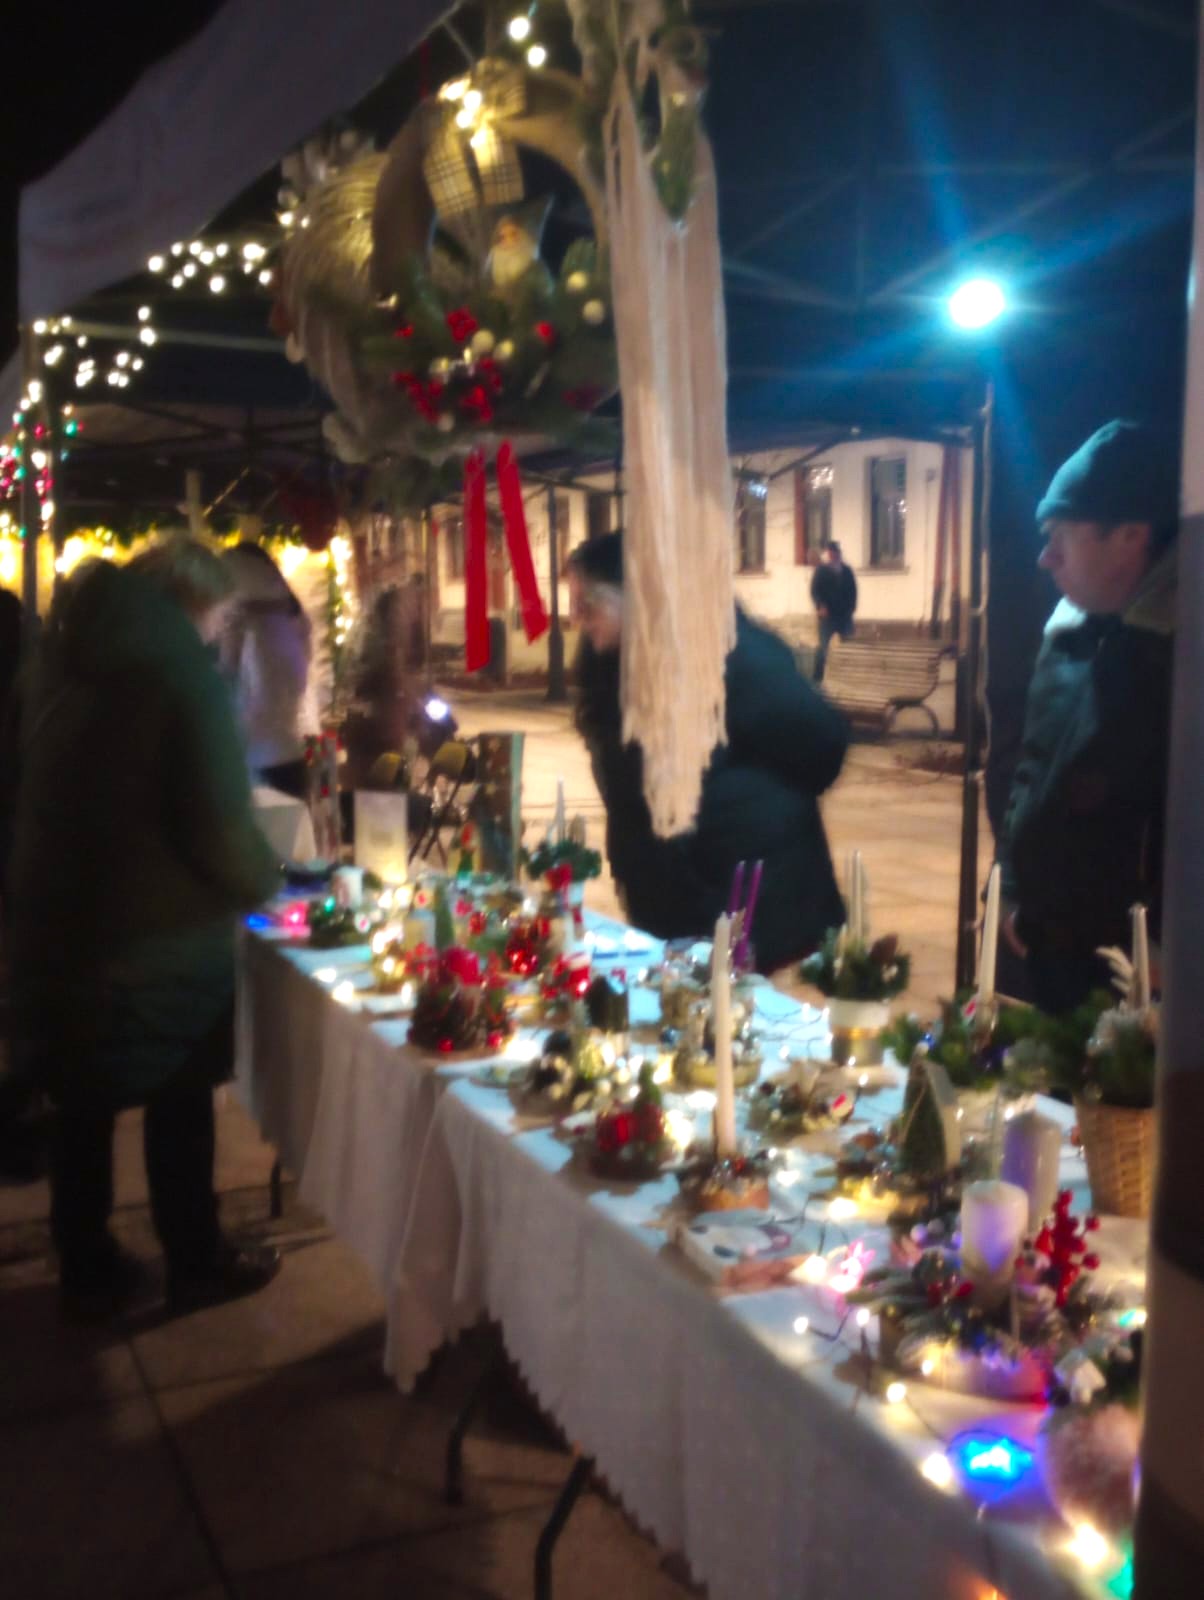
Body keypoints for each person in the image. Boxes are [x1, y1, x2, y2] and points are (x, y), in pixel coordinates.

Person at [8, 538, 283, 1319]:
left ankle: (87, 1266)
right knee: (181, 1095)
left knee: (81, 1104)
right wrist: (269, 884)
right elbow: (220, 826)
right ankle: (196, 1258)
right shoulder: (179, 676)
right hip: (154, 941)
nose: (222, 633)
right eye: (222, 617)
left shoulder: (57, 662)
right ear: (197, 603)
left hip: (59, 923)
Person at [568, 533, 849, 972]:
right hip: (676, 909)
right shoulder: (610, 667)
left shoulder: (724, 653)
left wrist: (736, 804)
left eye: (588, 604)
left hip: (753, 903)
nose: (576, 619)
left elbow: (821, 742)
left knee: (742, 1012)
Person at [999, 420, 1178, 1014]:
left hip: (1140, 969)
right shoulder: (1069, 630)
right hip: (1052, 946)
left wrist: (1168, 943)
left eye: (1061, 538)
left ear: (1130, 536)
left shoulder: (1182, 651)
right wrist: (1012, 889)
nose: (1044, 558)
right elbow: (1031, 772)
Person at [220, 542, 313, 799]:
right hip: (290, 753)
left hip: (253, 761)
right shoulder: (294, 621)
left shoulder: (240, 627)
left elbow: (229, 683)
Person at [810, 541, 857, 682]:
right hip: (827, 616)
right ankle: (817, 678)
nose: (833, 555)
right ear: (828, 554)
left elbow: (853, 591)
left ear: (838, 554)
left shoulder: (846, 571)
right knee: (824, 647)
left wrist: (851, 608)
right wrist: (820, 606)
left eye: (835, 553)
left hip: (844, 616)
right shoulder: (821, 570)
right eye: (830, 553)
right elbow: (814, 591)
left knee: (847, 646)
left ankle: (844, 677)